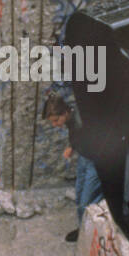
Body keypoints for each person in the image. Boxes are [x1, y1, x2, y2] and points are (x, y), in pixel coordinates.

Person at [43, 92, 103, 240]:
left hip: (95, 161)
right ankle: (83, 228)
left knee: (86, 202)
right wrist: (72, 147)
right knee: (79, 196)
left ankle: (87, 234)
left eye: (56, 120)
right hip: (84, 157)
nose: (55, 124)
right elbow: (75, 135)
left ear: (64, 113)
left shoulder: (81, 122)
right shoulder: (72, 116)